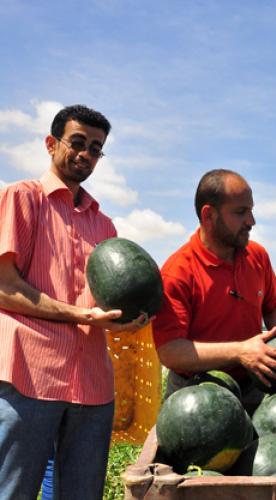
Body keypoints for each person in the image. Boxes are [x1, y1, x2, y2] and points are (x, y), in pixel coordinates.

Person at [0, 105, 147, 500]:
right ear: (51, 144)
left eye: (96, 149)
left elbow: (107, 301)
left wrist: (123, 318)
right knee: (12, 491)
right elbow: (4, 287)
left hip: (91, 384)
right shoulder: (21, 199)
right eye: (78, 143)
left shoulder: (104, 224)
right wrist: (80, 315)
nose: (86, 154)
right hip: (30, 375)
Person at [153, 169, 276, 410]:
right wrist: (240, 351)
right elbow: (171, 351)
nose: (251, 221)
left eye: (251, 210)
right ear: (209, 215)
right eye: (240, 212)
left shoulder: (256, 256)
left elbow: (273, 308)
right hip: (194, 394)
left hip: (251, 385)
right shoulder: (178, 273)